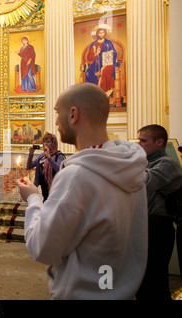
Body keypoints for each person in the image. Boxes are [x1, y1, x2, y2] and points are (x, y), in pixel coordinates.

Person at [16, 83, 148, 299]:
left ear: (74, 114)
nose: (57, 122)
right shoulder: (131, 167)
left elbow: (43, 247)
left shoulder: (77, 175)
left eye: (58, 113)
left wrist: (33, 199)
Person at [135, 125, 182, 300]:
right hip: (144, 224)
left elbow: (144, 183)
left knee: (154, 280)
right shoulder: (144, 163)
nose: (139, 144)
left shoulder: (168, 163)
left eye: (143, 141)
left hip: (158, 226)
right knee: (142, 280)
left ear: (159, 142)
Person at [26, 132, 65, 201]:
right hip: (44, 184)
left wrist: (49, 157)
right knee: (46, 200)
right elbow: (29, 166)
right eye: (44, 142)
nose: (45, 144)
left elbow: (59, 169)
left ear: (53, 143)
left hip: (54, 184)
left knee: (54, 201)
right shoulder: (41, 155)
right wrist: (31, 154)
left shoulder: (58, 155)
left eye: (48, 142)